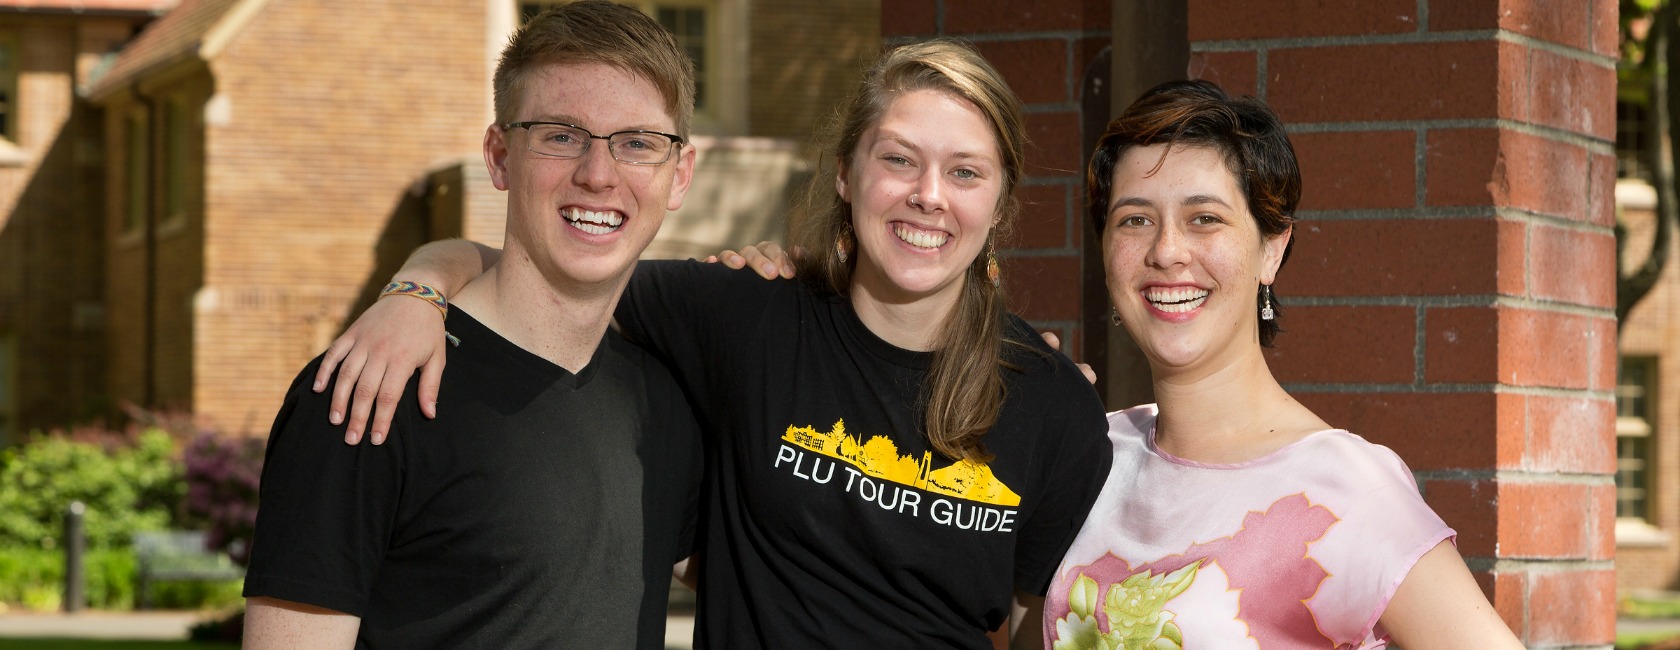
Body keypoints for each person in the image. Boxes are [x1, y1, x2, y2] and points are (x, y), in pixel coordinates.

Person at [312, 38, 1113, 648]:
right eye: (898, 160)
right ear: (845, 174)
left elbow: (1025, 625)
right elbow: (550, 275)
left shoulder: (1053, 403)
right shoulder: (744, 314)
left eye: (966, 173)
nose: (928, 197)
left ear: (1003, 199)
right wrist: (418, 287)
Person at [240, 3, 704, 648]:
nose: (598, 175)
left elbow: (798, 574)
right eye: (560, 135)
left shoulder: (661, 405)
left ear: (678, 175)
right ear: (499, 156)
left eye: (637, 143)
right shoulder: (373, 389)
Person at [1035, 79, 1523, 649]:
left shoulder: (1346, 489)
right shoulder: (1093, 456)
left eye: (1205, 219)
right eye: (1135, 220)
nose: (1166, 250)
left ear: (1272, 247)